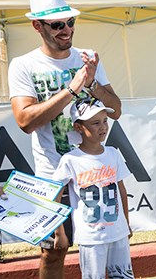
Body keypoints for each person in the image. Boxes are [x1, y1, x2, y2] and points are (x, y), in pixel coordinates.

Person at [8, 0, 122, 279]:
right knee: (53, 250)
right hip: (52, 174)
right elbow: (25, 120)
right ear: (38, 26)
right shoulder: (23, 65)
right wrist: (72, 89)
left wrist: (92, 82)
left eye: (70, 22)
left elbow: (116, 109)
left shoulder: (89, 58)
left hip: (93, 171)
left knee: (106, 244)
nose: (67, 30)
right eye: (57, 25)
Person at [53, 98, 133, 278]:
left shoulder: (113, 153)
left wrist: (126, 224)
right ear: (79, 127)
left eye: (105, 121)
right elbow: (56, 195)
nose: (103, 127)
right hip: (90, 237)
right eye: (95, 123)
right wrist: (60, 232)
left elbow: (121, 190)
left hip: (118, 233)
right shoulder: (70, 160)